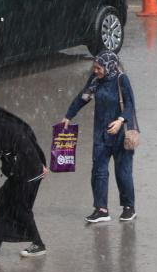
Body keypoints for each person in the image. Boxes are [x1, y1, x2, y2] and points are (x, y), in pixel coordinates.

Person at [59, 51, 138, 224]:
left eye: (99, 67)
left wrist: (120, 120)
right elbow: (83, 97)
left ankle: (128, 207)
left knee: (122, 172)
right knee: (98, 172)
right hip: (101, 134)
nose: (96, 71)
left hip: (121, 135)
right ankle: (101, 209)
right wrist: (68, 116)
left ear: (109, 66)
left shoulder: (120, 79)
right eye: (94, 67)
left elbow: (130, 104)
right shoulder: (95, 80)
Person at [0, 103, 47, 258]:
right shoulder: (11, 122)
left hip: (26, 173)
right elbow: (31, 137)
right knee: (3, 200)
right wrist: (42, 162)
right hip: (26, 171)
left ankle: (38, 244)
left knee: (20, 208)